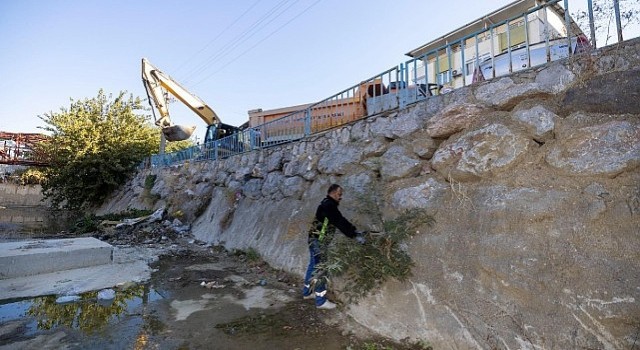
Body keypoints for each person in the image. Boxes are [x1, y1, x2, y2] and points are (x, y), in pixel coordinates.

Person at [302, 184, 365, 309]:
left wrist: (354, 231)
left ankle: (307, 292)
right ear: (333, 193)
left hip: (313, 239)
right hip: (319, 242)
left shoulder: (326, 204)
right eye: (339, 194)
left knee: (313, 266)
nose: (340, 197)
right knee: (321, 269)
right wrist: (354, 234)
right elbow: (340, 221)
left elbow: (338, 220)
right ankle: (320, 301)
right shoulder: (329, 206)